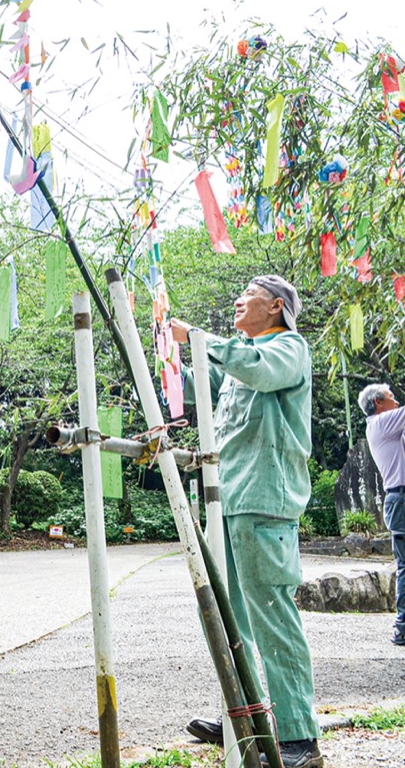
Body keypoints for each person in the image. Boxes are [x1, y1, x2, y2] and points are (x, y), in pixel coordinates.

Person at [170, 276, 323, 768]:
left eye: (249, 294)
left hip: (264, 500)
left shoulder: (287, 348)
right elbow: (198, 382)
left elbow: (254, 369)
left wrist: (197, 336)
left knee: (271, 616)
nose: (239, 300)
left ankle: (300, 736)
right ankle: (243, 717)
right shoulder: (241, 358)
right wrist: (168, 350)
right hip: (227, 501)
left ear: (276, 307)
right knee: (225, 615)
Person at [356, 383, 405, 646]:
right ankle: (402, 626)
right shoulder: (381, 422)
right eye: (391, 397)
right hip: (401, 497)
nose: (396, 401)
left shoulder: (386, 426)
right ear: (378, 402)